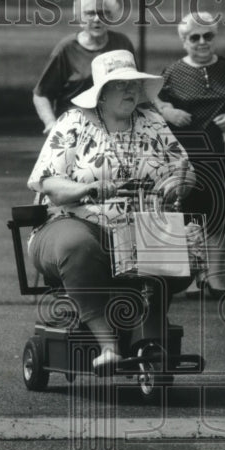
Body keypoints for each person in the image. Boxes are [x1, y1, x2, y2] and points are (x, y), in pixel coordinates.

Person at [27, 50, 194, 370]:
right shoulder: (73, 122)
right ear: (101, 94)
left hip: (142, 224)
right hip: (73, 220)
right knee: (78, 246)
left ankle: (149, 342)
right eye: (120, 85)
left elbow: (184, 170)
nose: (131, 91)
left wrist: (180, 182)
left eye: (134, 84)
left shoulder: (153, 122)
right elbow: (47, 183)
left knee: (180, 243)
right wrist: (87, 189)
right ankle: (108, 346)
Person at [155, 12, 225, 298]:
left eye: (208, 36)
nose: (202, 42)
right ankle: (189, 278)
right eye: (195, 37)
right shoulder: (172, 72)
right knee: (187, 210)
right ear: (183, 41)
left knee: (222, 212)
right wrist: (169, 112)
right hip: (188, 151)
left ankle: (214, 277)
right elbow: (152, 100)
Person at [32, 0, 136, 134]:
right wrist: (51, 123)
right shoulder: (66, 48)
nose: (97, 19)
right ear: (79, 17)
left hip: (115, 127)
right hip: (75, 127)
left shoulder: (122, 44)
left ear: (111, 16)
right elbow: (41, 94)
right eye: (90, 13)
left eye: (103, 13)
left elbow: (136, 87)